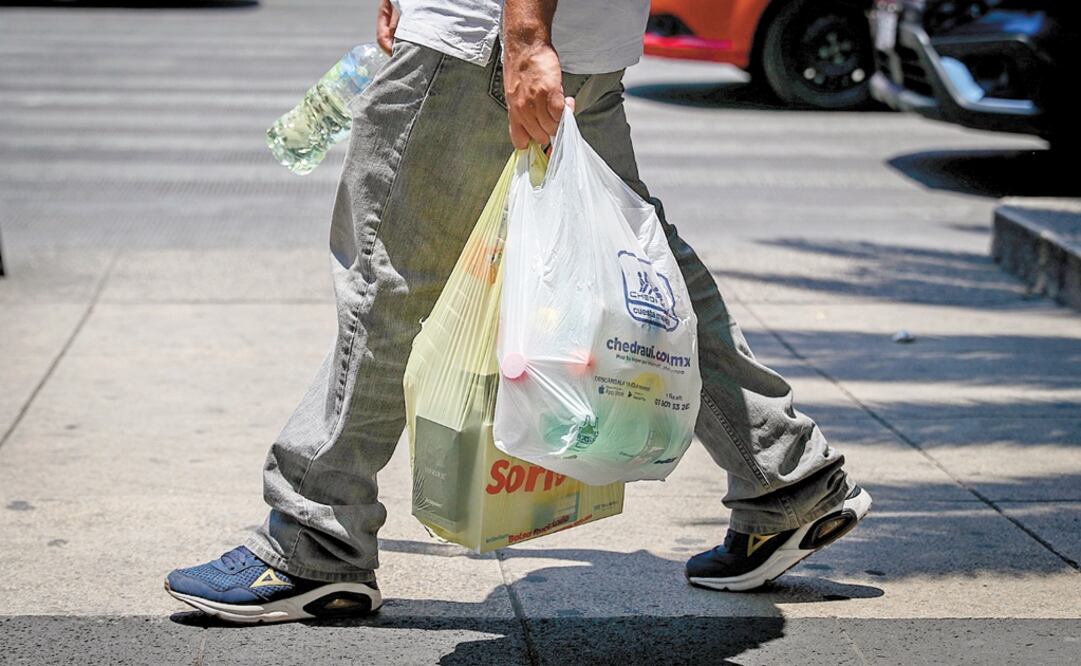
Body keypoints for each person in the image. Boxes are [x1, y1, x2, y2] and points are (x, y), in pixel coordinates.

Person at [164, 0, 871, 624]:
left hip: (484, 41)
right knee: (637, 266)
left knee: (390, 279)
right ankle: (786, 473)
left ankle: (313, 540)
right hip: (574, 42)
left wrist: (526, 36)